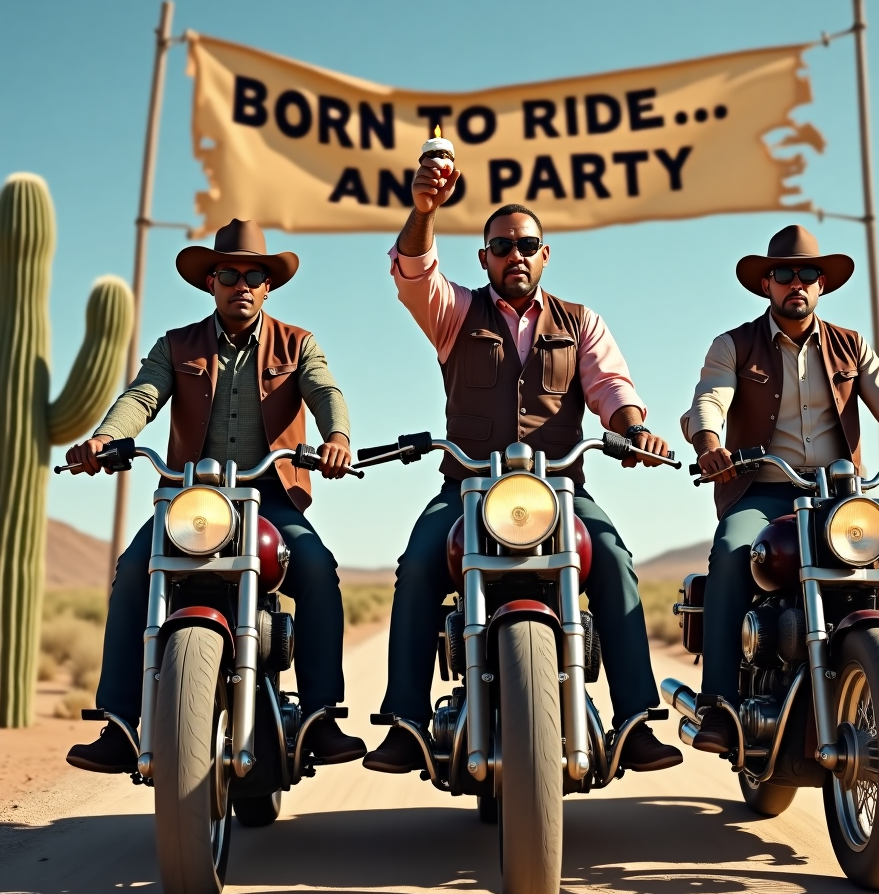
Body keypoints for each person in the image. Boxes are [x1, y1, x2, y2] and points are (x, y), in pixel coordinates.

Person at [362, 154, 682, 774]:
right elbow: (413, 274)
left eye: (527, 245)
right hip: (469, 489)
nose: (516, 254)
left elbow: (610, 385)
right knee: (420, 561)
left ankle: (637, 720)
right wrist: (425, 211)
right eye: (502, 246)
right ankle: (405, 721)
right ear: (484, 257)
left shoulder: (580, 321)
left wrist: (634, 429)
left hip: (559, 489)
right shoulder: (455, 315)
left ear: (545, 254)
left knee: (614, 560)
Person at [65, 219, 366, 772]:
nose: (242, 283)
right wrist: (108, 437)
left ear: (268, 285)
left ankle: (322, 718)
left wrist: (337, 438)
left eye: (254, 274)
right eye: (229, 273)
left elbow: (324, 388)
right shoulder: (176, 344)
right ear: (212, 282)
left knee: (319, 570)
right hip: (190, 498)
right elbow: (143, 394)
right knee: (135, 570)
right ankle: (119, 723)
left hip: (269, 496)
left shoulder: (297, 343)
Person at [681, 224, 879, 756]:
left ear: (822, 285)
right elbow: (710, 398)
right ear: (766, 285)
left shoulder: (850, 346)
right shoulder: (733, 345)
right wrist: (710, 443)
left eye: (808, 274)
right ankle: (719, 706)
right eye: (784, 274)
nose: (796, 283)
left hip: (838, 498)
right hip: (763, 492)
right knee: (730, 553)